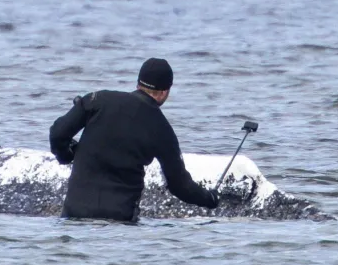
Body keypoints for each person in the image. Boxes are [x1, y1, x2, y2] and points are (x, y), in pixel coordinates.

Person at [49, 57, 218, 222]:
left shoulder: (97, 100)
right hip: (120, 222)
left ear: (138, 83)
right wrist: (209, 198)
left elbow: (58, 133)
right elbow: (180, 186)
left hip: (74, 214)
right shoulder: (162, 129)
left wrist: (66, 155)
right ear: (165, 92)